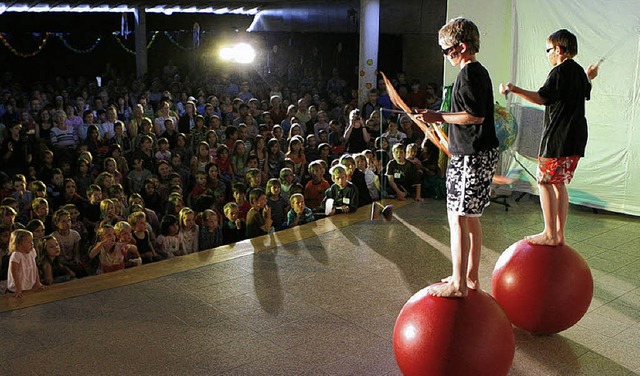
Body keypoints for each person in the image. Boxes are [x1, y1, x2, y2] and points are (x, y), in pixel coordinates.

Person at [415, 17, 499, 298]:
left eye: (446, 49)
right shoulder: (478, 72)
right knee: (471, 218)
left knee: (458, 218)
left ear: (461, 46)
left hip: (471, 157)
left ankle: (459, 284)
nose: (444, 54)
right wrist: (438, 120)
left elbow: (475, 116)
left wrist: (437, 116)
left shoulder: (469, 74)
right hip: (475, 153)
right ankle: (469, 277)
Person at [499, 29, 598, 246]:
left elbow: (542, 98)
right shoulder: (579, 72)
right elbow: (583, 89)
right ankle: (559, 234)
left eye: (549, 50)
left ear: (559, 50)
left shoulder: (558, 72)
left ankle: (549, 234)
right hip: (576, 139)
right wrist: (589, 77)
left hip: (558, 139)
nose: (548, 55)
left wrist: (514, 89)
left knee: (543, 180)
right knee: (559, 184)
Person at [7, 229, 45, 297]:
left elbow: (34, 267)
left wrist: (38, 282)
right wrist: (18, 288)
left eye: (32, 241)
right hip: (17, 288)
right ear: (18, 244)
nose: (32, 243)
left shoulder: (32, 252)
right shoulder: (16, 255)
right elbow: (14, 272)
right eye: (28, 242)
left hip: (29, 286)